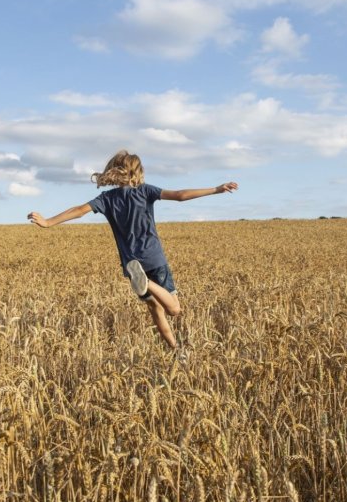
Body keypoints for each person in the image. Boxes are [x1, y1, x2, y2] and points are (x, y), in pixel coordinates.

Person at [28, 150, 237, 352]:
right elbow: (180, 195)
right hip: (154, 258)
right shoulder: (145, 191)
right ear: (137, 171)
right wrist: (216, 189)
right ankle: (150, 287)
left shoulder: (107, 199)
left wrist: (48, 222)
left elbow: (79, 211)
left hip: (131, 264)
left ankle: (176, 351)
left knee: (156, 310)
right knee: (174, 310)